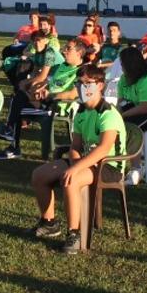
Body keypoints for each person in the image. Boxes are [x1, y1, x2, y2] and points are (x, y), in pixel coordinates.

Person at [29, 64, 127, 254]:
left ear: (100, 86)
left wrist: (74, 169)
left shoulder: (108, 113)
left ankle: (74, 234)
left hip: (109, 165)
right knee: (39, 175)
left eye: (88, 83)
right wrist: (74, 162)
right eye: (80, 83)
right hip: (85, 162)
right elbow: (75, 146)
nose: (83, 87)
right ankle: (49, 223)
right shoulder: (82, 111)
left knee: (70, 179)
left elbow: (103, 149)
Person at [0, 39, 84, 160]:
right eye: (65, 48)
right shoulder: (63, 66)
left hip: (57, 106)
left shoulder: (81, 71)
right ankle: (11, 134)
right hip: (46, 101)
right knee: (20, 96)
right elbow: (51, 83)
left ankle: (12, 138)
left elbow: (73, 94)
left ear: (79, 53)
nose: (64, 51)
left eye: (68, 49)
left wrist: (50, 95)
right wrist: (40, 89)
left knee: (18, 107)